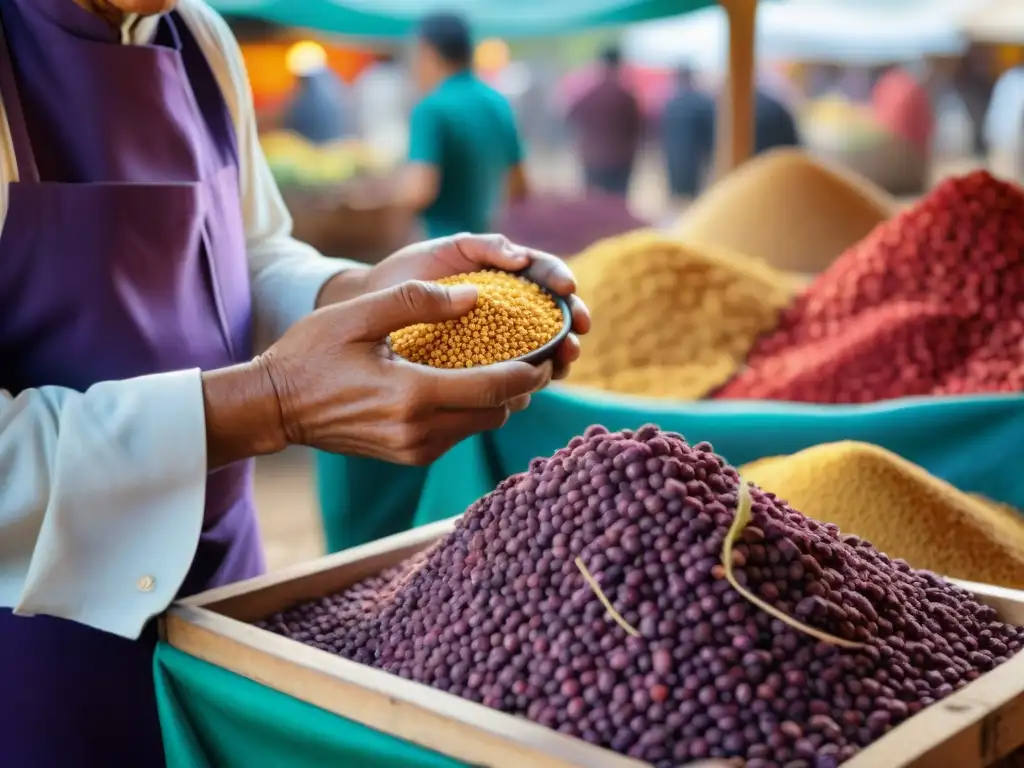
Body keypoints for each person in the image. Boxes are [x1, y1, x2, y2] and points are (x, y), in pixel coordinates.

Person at [0, 1, 590, 766]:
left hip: (225, 591)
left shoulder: (200, 37)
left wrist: (366, 290)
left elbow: (251, 251)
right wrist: (269, 405)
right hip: (40, 632)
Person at [400, 12, 529, 238]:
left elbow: (420, 191)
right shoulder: (497, 103)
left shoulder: (431, 109)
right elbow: (520, 186)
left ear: (427, 51)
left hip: (441, 250)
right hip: (487, 246)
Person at [661, 68, 801, 201]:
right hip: (771, 186)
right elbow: (795, 153)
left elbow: (693, 154)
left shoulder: (717, 105)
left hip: (735, 184)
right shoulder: (775, 106)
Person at [567, 45, 643, 198]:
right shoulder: (626, 96)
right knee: (617, 205)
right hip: (620, 160)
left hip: (593, 159)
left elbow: (570, 118)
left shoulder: (589, 94)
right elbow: (639, 127)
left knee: (595, 205)